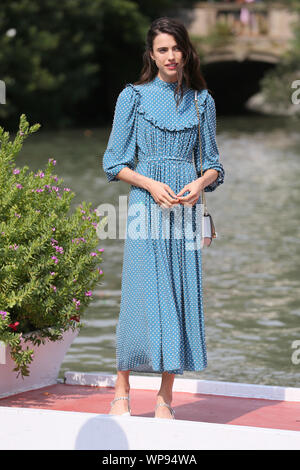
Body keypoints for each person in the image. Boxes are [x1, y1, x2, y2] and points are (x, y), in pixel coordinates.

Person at [102, 16, 225, 419]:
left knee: (180, 295)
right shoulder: (132, 97)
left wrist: (200, 184)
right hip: (146, 207)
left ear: (186, 51)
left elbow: (214, 165)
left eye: (176, 48)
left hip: (185, 212)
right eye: (162, 50)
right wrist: (151, 184)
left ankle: (164, 397)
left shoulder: (200, 101)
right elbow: (113, 162)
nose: (171, 56)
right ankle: (122, 386)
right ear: (151, 55)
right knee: (140, 295)